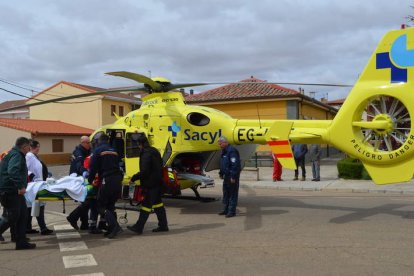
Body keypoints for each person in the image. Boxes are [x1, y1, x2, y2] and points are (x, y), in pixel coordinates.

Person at [127, 133, 169, 235]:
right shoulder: (154, 150)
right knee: (158, 204)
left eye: (138, 144)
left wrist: (134, 177)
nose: (138, 146)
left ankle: (139, 227)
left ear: (141, 144)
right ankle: (163, 225)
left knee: (146, 206)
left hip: (151, 184)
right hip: (158, 182)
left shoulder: (146, 153)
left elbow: (145, 171)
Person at [0, 137, 36, 250]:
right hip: (10, 191)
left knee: (22, 215)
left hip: (13, 191)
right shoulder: (17, 155)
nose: (29, 150)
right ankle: (20, 241)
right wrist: (20, 186)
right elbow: (12, 171)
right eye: (28, 147)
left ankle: (21, 241)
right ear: (24, 147)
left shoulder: (14, 153)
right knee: (11, 217)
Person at [88, 134, 123, 239]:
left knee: (100, 206)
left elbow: (93, 167)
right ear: (108, 140)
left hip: (107, 180)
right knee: (110, 205)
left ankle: (115, 227)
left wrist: (90, 180)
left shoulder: (98, 150)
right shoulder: (114, 150)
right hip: (117, 180)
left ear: (99, 141)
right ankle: (112, 228)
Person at [25, 140, 53, 235]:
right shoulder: (28, 156)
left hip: (38, 184)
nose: (38, 149)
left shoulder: (34, 156)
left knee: (32, 207)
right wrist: (32, 176)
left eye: (38, 147)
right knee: (38, 206)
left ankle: (28, 228)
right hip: (34, 185)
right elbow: (25, 169)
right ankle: (43, 228)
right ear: (31, 147)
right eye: (37, 147)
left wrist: (46, 175)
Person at [67, 136, 91, 230]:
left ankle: (84, 224)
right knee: (86, 200)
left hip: (82, 178)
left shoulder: (87, 151)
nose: (90, 144)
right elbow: (78, 165)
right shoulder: (78, 152)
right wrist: (85, 172)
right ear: (83, 143)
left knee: (85, 200)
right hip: (78, 178)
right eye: (88, 143)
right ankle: (73, 217)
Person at [217, 136, 241, 218]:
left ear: (225, 142)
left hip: (231, 176)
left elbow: (235, 165)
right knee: (226, 193)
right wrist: (221, 173)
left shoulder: (232, 151)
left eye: (220, 143)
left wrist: (233, 176)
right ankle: (225, 209)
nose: (219, 145)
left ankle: (231, 211)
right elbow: (223, 163)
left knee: (232, 194)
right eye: (219, 143)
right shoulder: (224, 151)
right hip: (226, 176)